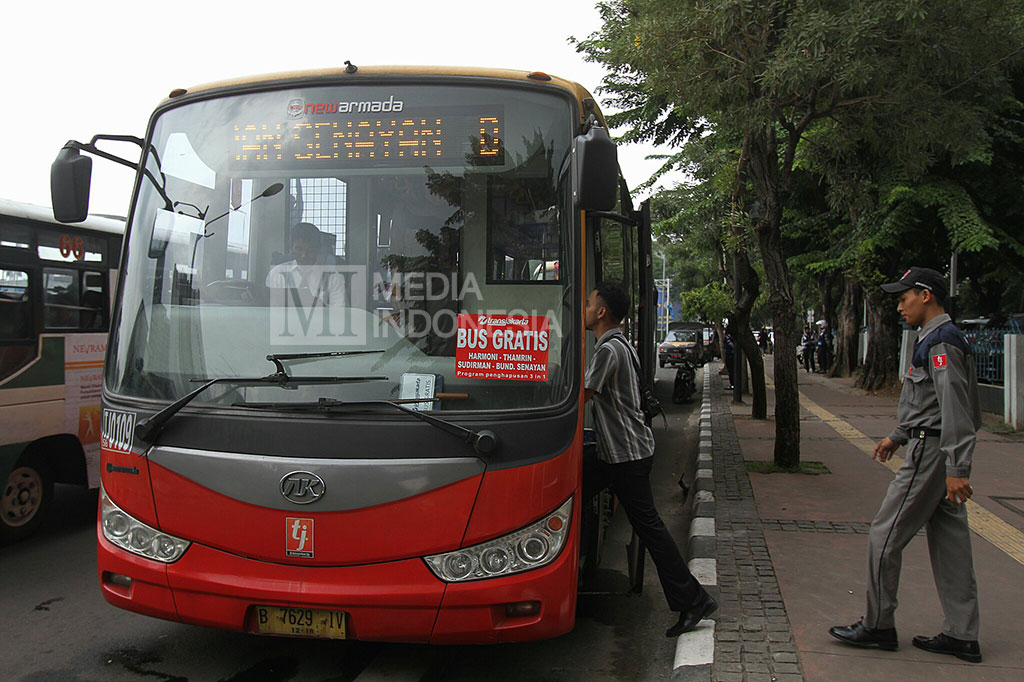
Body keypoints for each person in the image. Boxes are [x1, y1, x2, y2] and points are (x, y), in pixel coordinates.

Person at [829, 267, 983, 663]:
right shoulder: (940, 338)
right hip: (935, 450)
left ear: (926, 295)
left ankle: (878, 625)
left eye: (904, 298)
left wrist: (956, 468)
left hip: (932, 456)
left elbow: (955, 409)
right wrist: (897, 435)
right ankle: (962, 635)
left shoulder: (941, 342)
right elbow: (930, 402)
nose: (900, 306)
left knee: (884, 535)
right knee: (952, 545)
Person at [584, 281, 717, 637]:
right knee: (573, 491)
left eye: (587, 304)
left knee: (652, 530)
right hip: (618, 452)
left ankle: (693, 600)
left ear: (601, 312)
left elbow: (583, 394)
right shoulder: (618, 344)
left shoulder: (608, 350)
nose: (583, 309)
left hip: (625, 456)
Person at [266, 222, 346, 306]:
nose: (304, 255)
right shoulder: (276, 275)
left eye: (310, 250)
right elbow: (267, 310)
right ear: (291, 246)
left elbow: (341, 312)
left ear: (318, 248)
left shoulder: (333, 277)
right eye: (299, 249)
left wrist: (321, 307)